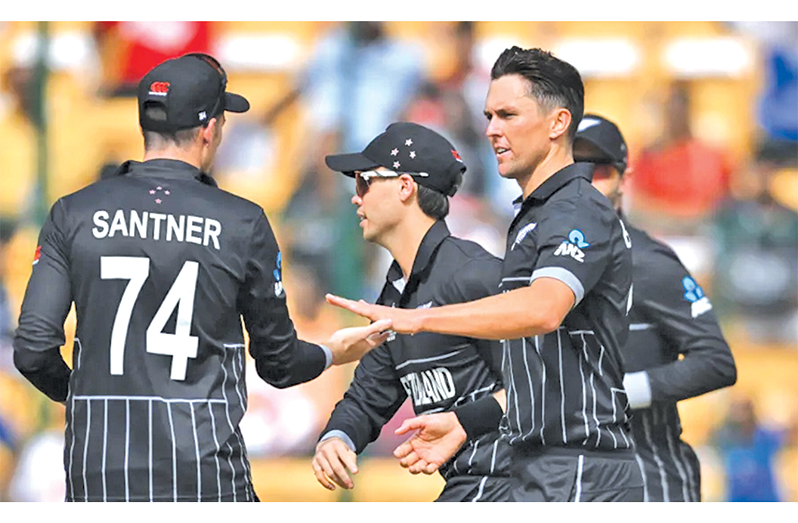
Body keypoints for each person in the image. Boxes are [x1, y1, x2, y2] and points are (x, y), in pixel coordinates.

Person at [11, 53, 391, 503]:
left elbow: (34, 351)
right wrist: (332, 353)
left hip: (99, 469)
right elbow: (279, 364)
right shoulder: (242, 221)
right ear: (209, 130)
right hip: (203, 471)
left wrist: (84, 400)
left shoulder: (71, 213)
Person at [327, 46, 643, 502]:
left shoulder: (574, 207)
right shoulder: (536, 217)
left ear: (558, 123)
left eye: (509, 115)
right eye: (490, 115)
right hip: (543, 470)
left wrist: (417, 319)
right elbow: (537, 370)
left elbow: (544, 309)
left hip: (580, 469)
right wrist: (463, 422)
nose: (492, 129)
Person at [312, 122, 511, 502]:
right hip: (472, 485)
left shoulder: (475, 275)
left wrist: (465, 422)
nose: (356, 198)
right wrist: (337, 437)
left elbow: (546, 384)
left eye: (364, 182)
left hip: (517, 484)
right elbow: (368, 395)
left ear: (405, 187)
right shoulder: (395, 295)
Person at [573, 113, 738, 501]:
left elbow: (716, 362)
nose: (582, 180)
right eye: (569, 167)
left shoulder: (648, 263)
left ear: (624, 180)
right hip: (565, 482)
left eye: (597, 169)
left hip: (647, 476)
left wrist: (627, 391)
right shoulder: (529, 262)